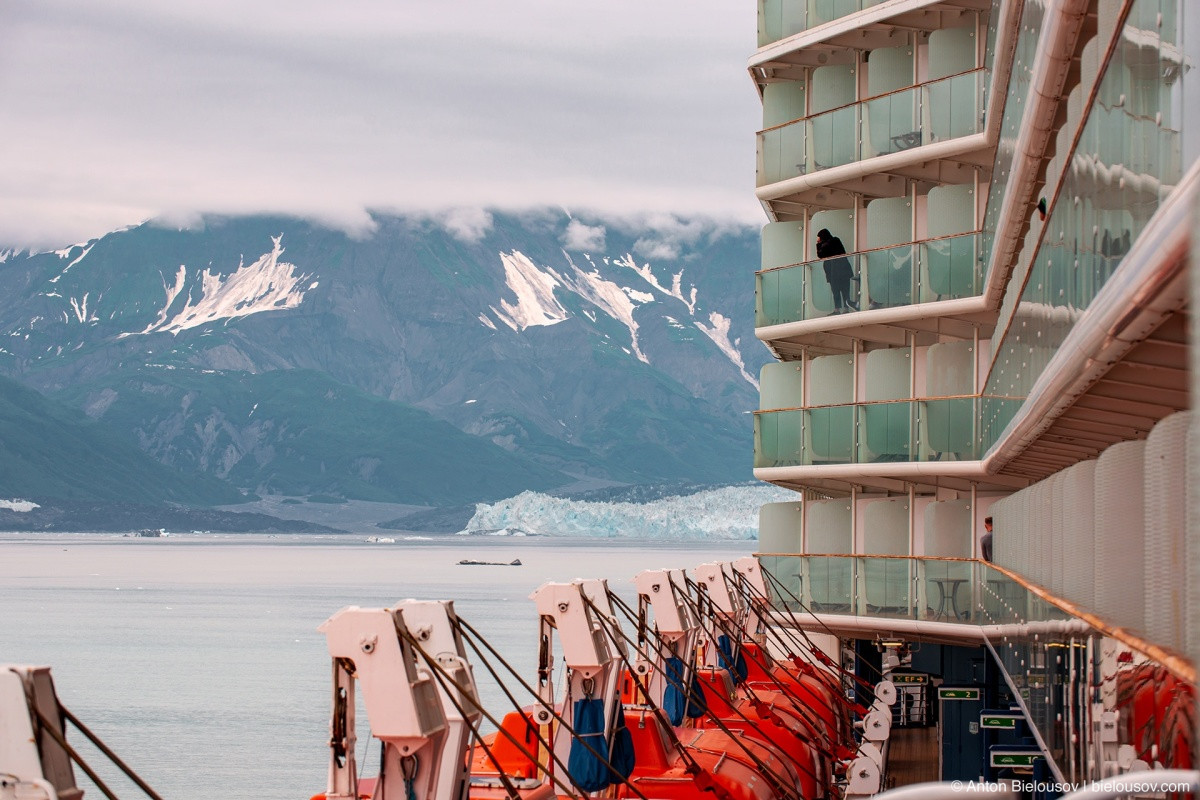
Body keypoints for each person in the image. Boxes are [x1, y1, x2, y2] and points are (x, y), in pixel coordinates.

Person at [816, 228, 857, 312]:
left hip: (835, 270)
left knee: (836, 291)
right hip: (841, 269)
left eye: (819, 237)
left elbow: (820, 255)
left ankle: (838, 309)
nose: (818, 238)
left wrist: (818, 244)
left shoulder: (828, 243)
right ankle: (845, 308)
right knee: (844, 290)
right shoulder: (834, 240)